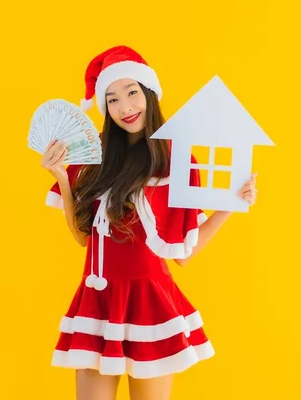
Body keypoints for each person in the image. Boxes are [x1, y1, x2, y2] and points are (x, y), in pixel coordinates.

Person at [40, 45, 258, 400]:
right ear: (104, 107)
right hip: (98, 298)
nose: (125, 107)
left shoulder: (175, 158)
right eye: (112, 99)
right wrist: (63, 179)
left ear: (149, 94)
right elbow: (83, 238)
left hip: (149, 303)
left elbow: (184, 254)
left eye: (132, 93)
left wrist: (231, 204)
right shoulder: (93, 155)